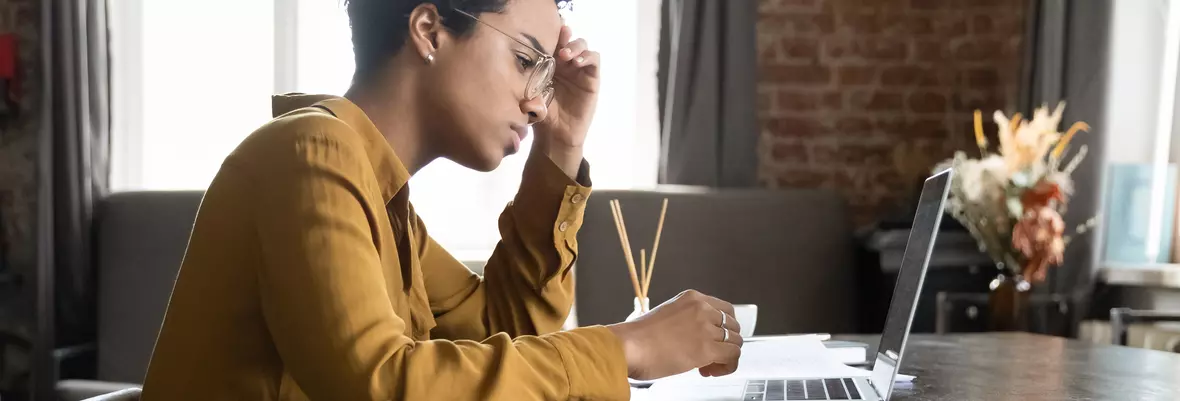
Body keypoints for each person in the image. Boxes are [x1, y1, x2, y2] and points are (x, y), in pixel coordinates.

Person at [140, 0, 743, 399]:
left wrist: (561, 145)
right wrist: (627, 346)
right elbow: (382, 385)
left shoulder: (382, 200)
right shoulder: (310, 154)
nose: (538, 101)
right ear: (429, 31)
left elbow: (507, 328)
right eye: (526, 60)